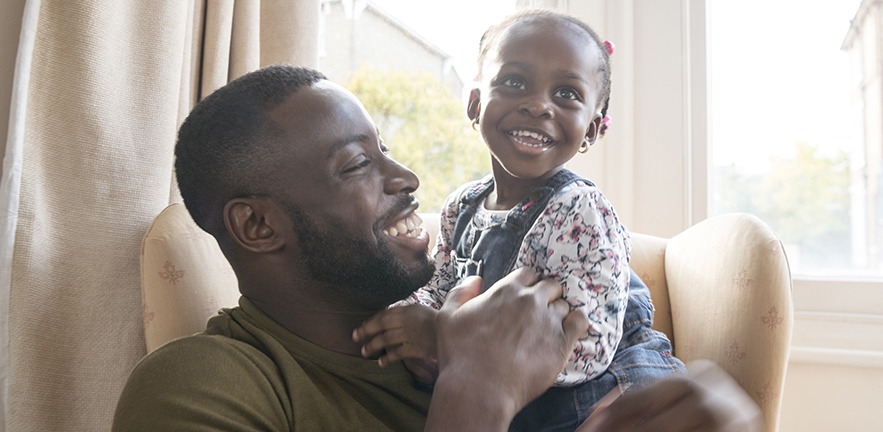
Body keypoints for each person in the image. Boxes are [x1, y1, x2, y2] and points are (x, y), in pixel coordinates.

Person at [112, 64, 761, 431]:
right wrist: (477, 393)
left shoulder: (483, 309)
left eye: (386, 151)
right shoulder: (207, 385)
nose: (407, 180)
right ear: (257, 226)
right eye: (355, 165)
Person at [354, 9, 684, 431]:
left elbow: (590, 345)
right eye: (514, 82)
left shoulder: (580, 209)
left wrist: (444, 338)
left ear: (592, 130)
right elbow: (441, 285)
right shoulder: (462, 206)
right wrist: (404, 319)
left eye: (566, 94)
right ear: (475, 105)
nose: (538, 105)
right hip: (516, 396)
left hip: (612, 388)